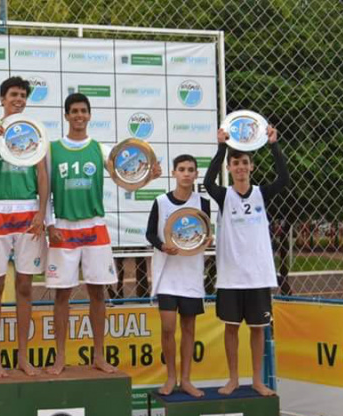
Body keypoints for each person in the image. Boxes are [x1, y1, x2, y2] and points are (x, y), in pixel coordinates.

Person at [45, 93, 160, 374]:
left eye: (83, 111)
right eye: (74, 111)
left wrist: (148, 177)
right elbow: (44, 191)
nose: (79, 116)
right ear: (66, 115)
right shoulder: (52, 149)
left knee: (98, 293)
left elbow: (126, 181)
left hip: (94, 226)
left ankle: (98, 355)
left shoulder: (101, 149)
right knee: (62, 296)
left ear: (89, 114)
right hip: (64, 228)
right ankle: (60, 357)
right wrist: (49, 225)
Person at [0, 76, 49, 377]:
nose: (18, 99)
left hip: (27, 211)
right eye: (13, 95)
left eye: (22, 95)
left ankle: (23, 356)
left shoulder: (34, 131)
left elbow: (43, 175)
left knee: (26, 286)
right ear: (2, 98)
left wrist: (41, 213)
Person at [204, 126, 289, 396]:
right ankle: (232, 379)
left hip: (257, 275)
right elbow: (207, 182)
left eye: (244, 163)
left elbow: (284, 179)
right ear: (229, 168)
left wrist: (274, 145)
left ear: (251, 167)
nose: (240, 167)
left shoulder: (260, 194)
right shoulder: (224, 195)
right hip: (231, 275)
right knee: (231, 329)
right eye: (235, 163)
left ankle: (257, 380)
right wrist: (221, 148)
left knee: (257, 330)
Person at [145, 155, 211, 397]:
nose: (186, 173)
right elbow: (150, 234)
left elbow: (203, 234)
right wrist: (163, 247)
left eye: (191, 170)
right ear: (174, 173)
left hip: (191, 275)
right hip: (167, 275)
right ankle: (170, 377)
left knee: (189, 328)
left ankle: (186, 379)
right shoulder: (161, 202)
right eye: (182, 169)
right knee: (168, 327)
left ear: (196, 174)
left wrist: (207, 239)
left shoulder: (202, 203)